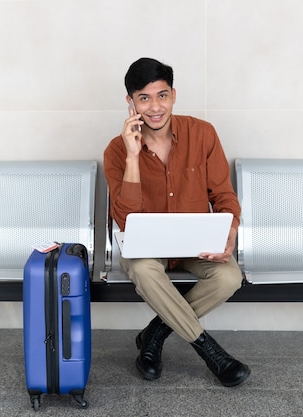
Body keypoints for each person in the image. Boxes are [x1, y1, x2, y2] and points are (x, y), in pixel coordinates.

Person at [103, 57, 250, 387]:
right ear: (130, 102)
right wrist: (131, 156)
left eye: (162, 95)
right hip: (146, 248)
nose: (155, 107)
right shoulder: (115, 151)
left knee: (229, 277)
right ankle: (211, 352)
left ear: (174, 95)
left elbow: (224, 196)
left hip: (193, 243)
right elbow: (126, 219)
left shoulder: (203, 134)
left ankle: (154, 335)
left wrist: (230, 231)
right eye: (144, 98)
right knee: (142, 269)